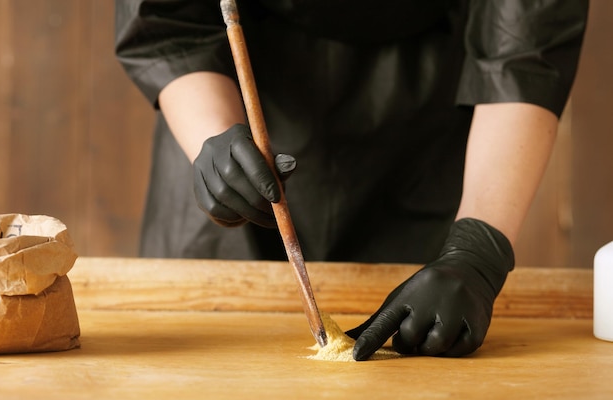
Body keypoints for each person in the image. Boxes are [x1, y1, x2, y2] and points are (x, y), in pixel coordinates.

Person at [114, 0, 589, 360]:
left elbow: (525, 48)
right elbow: (168, 21)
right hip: (229, 104)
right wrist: (211, 137)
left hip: (432, 126)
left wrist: (478, 248)